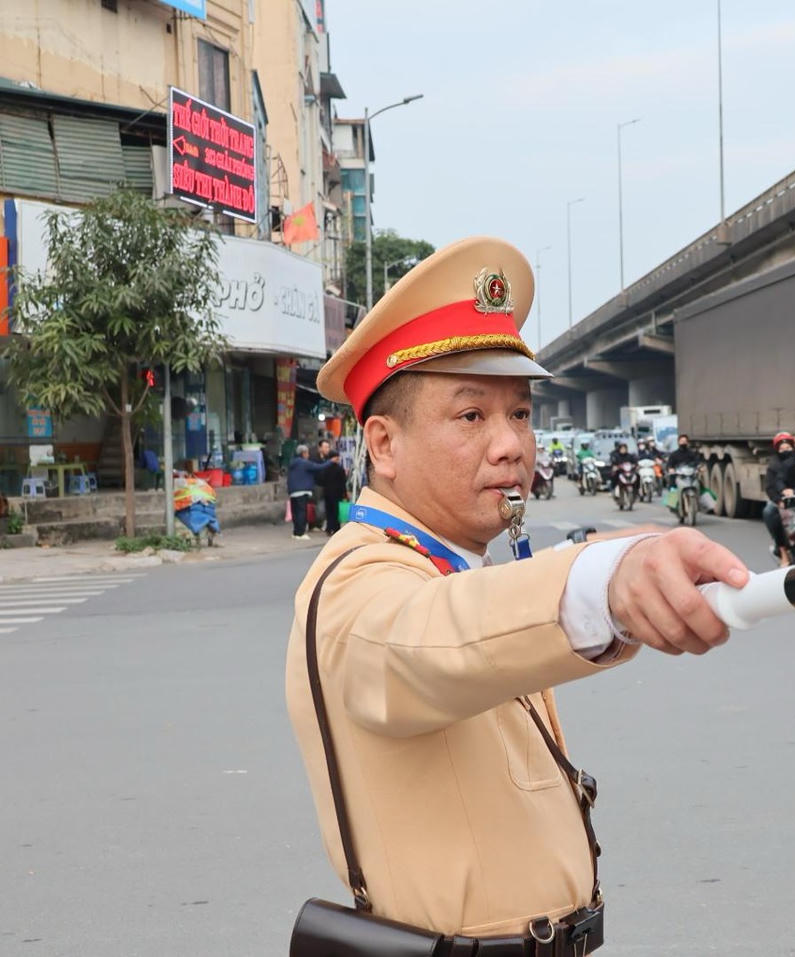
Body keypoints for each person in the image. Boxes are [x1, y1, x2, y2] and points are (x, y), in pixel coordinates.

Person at [285, 236, 748, 949]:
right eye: (471, 417)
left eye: (521, 414)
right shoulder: (356, 581)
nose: (511, 446)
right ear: (383, 444)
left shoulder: (453, 567)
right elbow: (427, 638)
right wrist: (600, 579)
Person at [762, 431, 795, 566]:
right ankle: (782, 551)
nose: (786, 450)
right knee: (769, 512)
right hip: (782, 500)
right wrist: (779, 501)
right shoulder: (774, 466)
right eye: (782, 449)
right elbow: (770, 487)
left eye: (788, 447)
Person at [287, 444, 329, 540]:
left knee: (295, 512)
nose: (308, 455)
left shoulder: (293, 462)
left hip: (293, 491)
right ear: (303, 453)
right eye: (307, 453)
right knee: (301, 512)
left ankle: (296, 532)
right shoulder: (304, 463)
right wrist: (330, 462)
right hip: (302, 490)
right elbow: (319, 467)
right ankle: (300, 533)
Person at [318, 451, 348, 536]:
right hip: (337, 493)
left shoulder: (325, 468)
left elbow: (321, 480)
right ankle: (336, 528)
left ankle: (329, 528)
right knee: (336, 511)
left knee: (329, 511)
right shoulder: (339, 468)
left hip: (327, 492)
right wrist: (345, 493)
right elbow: (342, 482)